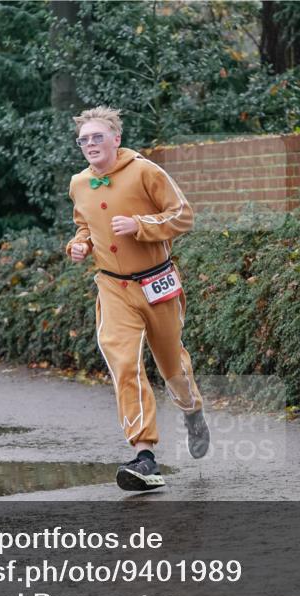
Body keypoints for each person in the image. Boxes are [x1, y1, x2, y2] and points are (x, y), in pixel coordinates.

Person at [66, 106, 210, 492]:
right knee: (124, 364)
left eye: (98, 137)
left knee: (171, 366)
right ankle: (144, 455)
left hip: (157, 283)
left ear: (116, 138)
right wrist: (78, 245)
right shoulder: (79, 183)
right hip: (112, 286)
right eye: (84, 140)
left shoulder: (145, 171)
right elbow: (84, 225)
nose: (91, 145)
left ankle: (192, 411)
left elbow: (183, 215)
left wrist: (141, 225)